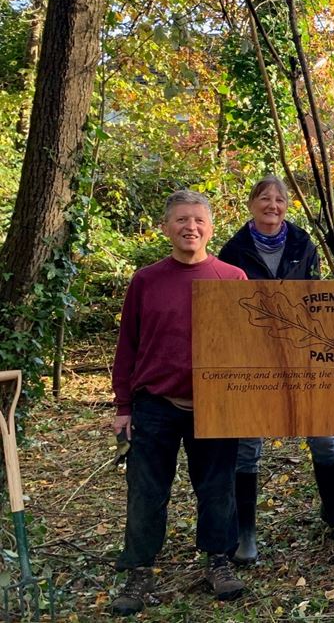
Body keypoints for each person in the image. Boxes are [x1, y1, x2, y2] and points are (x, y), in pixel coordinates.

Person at [109, 191, 248, 616]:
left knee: (217, 488)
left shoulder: (232, 278)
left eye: (198, 220)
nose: (191, 227)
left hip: (215, 404)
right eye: (181, 220)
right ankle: (139, 569)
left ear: (210, 227)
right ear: (167, 227)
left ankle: (219, 561)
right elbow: (127, 345)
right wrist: (123, 406)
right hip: (155, 404)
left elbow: (249, 347)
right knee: (147, 492)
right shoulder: (146, 280)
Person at [217, 176, 334, 566]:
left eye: (279, 200)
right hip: (253, 360)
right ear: (251, 204)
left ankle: (332, 508)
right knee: (247, 446)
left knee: (325, 437)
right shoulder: (232, 251)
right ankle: (245, 532)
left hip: (304, 356)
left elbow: (316, 299)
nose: (273, 206)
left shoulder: (302, 244)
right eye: (265, 199)